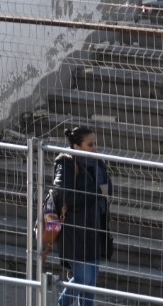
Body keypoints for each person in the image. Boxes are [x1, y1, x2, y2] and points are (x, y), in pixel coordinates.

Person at [52, 124, 112, 306]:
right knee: (83, 279)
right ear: (77, 146)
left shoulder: (97, 163)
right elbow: (65, 194)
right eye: (90, 144)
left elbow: (109, 187)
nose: (95, 148)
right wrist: (96, 192)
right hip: (76, 232)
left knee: (90, 283)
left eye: (95, 144)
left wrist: (101, 192)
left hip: (95, 229)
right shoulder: (66, 163)